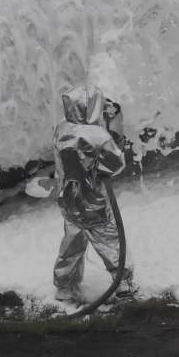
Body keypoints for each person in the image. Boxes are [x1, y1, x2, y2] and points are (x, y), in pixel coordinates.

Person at [50, 85, 133, 303]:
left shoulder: (61, 128)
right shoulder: (98, 136)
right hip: (93, 203)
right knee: (110, 242)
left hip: (68, 201)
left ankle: (65, 288)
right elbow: (114, 165)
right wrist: (116, 140)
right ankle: (122, 282)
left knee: (72, 244)